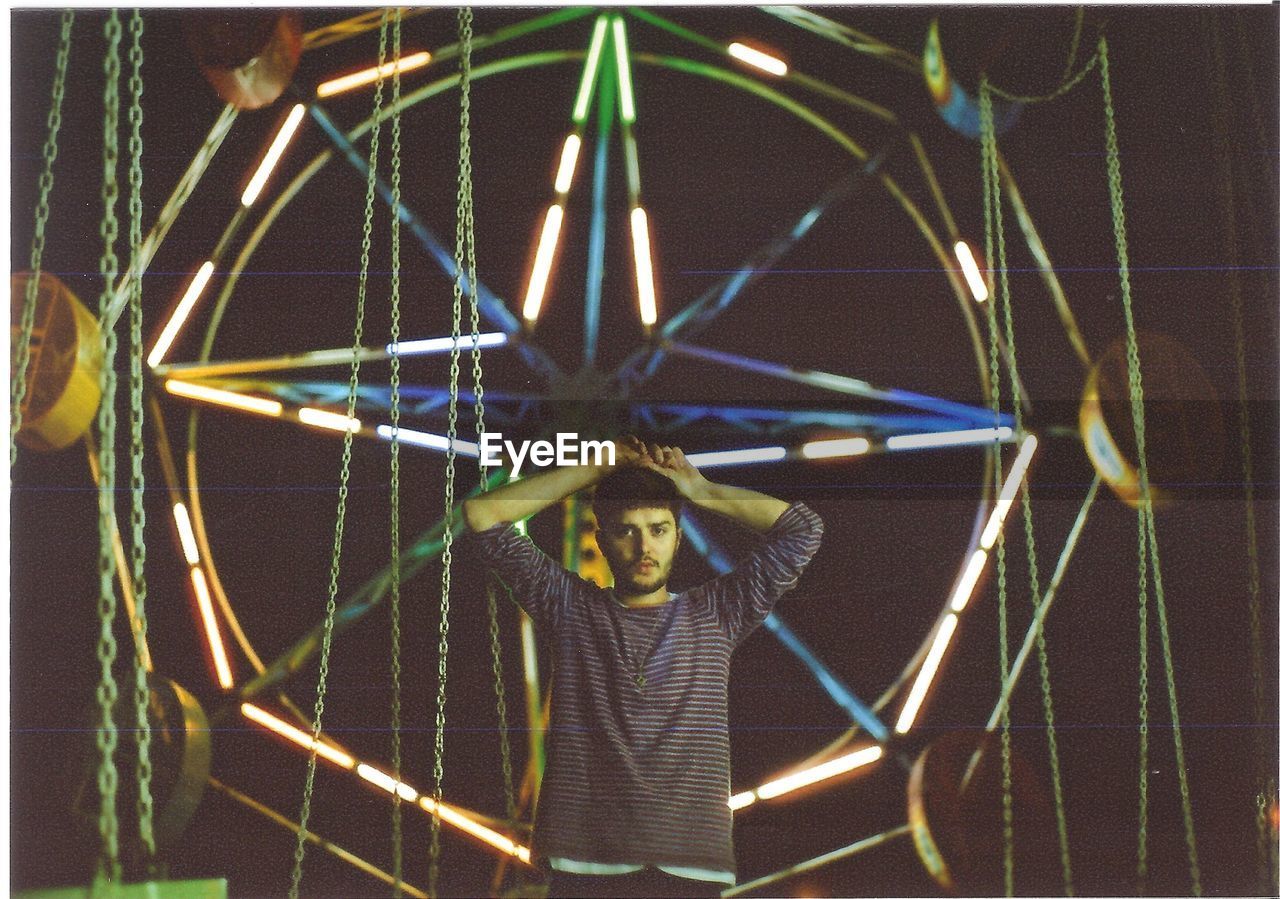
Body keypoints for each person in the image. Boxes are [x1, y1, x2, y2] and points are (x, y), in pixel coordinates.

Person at [463, 436, 823, 897]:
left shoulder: (716, 613)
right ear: (601, 539)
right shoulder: (569, 608)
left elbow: (804, 529)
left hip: (691, 865)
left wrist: (701, 490)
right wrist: (592, 470)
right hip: (585, 861)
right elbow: (482, 517)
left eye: (658, 529)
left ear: (677, 535)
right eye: (626, 530)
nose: (643, 546)